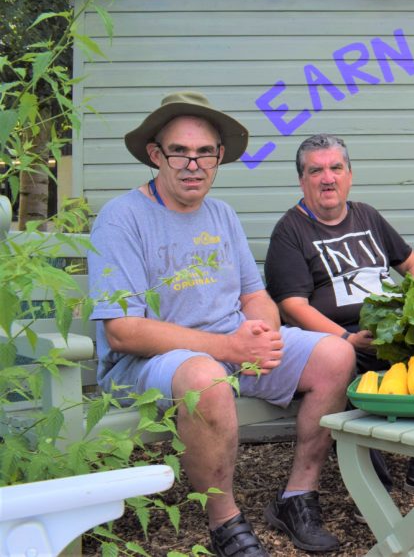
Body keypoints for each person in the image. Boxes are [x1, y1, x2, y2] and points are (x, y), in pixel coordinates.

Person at [88, 92, 354, 556]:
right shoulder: (122, 218)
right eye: (180, 152)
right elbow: (123, 331)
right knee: (205, 377)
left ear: (218, 158)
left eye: (204, 153)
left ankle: (297, 496)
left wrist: (263, 334)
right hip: (152, 365)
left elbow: (253, 295)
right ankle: (225, 521)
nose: (193, 165)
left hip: (229, 348)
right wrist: (229, 349)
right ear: (156, 155)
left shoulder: (221, 214)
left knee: (336, 353)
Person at [264, 133, 414, 496]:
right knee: (350, 370)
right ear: (302, 180)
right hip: (337, 337)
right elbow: (293, 306)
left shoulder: (367, 216)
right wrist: (346, 338)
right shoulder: (290, 231)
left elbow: (412, 264)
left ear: (350, 174)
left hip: (391, 328)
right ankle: (371, 487)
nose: (327, 178)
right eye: (316, 171)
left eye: (336, 168)